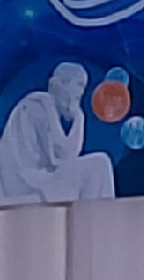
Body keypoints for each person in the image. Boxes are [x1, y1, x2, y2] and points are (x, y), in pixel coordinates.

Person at [0, 62, 114, 205]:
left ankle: (92, 215)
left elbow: (66, 156)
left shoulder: (45, 106)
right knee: (99, 164)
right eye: (79, 85)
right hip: (28, 181)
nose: (81, 93)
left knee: (98, 164)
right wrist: (79, 117)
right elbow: (64, 154)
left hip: (36, 178)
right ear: (63, 84)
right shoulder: (40, 104)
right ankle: (93, 216)